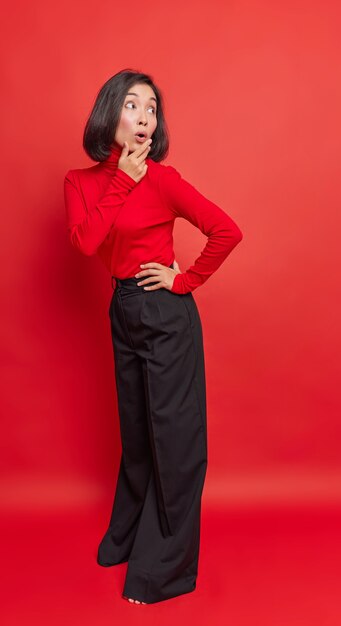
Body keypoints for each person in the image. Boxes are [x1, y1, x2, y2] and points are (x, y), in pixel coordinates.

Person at [63, 68, 243, 605]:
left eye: (152, 109)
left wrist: (184, 280)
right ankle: (128, 535)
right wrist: (123, 179)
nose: (145, 117)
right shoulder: (81, 181)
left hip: (166, 315)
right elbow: (87, 242)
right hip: (123, 310)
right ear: (110, 113)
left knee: (176, 443)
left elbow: (226, 230)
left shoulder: (164, 179)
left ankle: (162, 570)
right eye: (134, 106)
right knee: (139, 438)